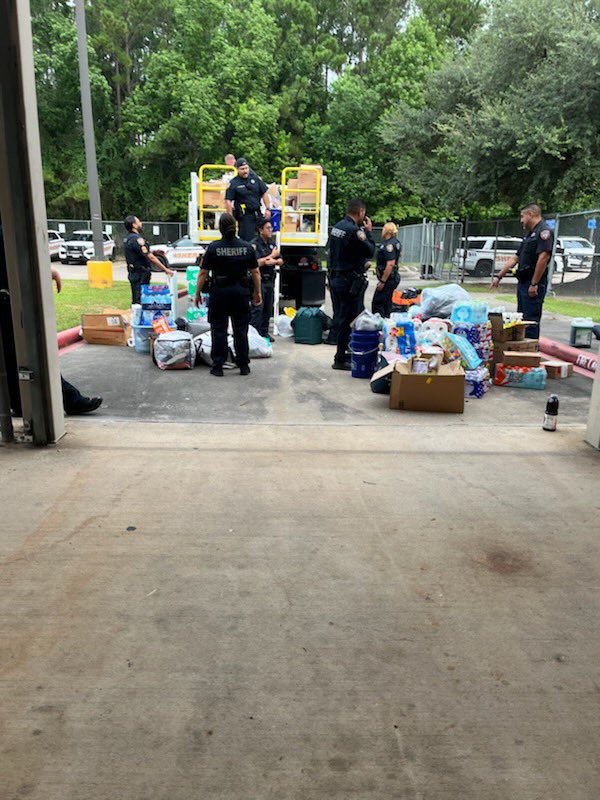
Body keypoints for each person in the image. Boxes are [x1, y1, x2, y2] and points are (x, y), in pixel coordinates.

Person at [194, 213, 261, 377]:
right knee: (241, 330)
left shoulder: (213, 248)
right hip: (241, 292)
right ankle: (244, 365)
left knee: (219, 329)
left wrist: (197, 294)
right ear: (235, 226)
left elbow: (203, 273)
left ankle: (218, 366)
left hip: (220, 292)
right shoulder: (247, 247)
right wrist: (257, 292)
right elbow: (255, 272)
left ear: (220, 228)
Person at [491, 203, 554, 338]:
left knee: (530, 320)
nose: (521, 220)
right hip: (523, 282)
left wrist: (534, 283)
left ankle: (530, 351)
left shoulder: (544, 232)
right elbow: (516, 257)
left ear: (530, 214)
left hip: (533, 283)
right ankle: (522, 349)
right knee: (522, 317)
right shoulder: (530, 234)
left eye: (522, 216)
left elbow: (543, 258)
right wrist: (499, 276)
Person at [327, 198, 375, 370]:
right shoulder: (354, 231)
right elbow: (369, 251)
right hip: (348, 280)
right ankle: (341, 357)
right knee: (349, 319)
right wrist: (368, 232)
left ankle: (341, 354)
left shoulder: (338, 227)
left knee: (340, 316)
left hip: (336, 277)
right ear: (361, 212)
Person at [123, 215, 173, 304]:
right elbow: (150, 257)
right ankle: (138, 316)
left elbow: (139, 253)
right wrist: (165, 269)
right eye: (138, 222)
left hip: (134, 272)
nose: (140, 223)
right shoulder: (137, 239)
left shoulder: (128, 238)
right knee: (141, 300)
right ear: (134, 225)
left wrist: (154, 252)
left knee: (136, 297)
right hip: (140, 274)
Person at [251, 218, 283, 339]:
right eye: (268, 228)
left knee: (268, 308)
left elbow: (280, 259)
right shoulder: (255, 244)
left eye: (271, 228)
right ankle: (255, 334)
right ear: (260, 230)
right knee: (258, 308)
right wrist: (270, 257)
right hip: (258, 281)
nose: (271, 230)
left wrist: (274, 260)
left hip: (270, 280)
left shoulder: (271, 243)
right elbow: (256, 263)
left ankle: (264, 332)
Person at [225, 158, 271, 242]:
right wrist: (230, 217)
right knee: (247, 241)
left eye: (246, 168)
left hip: (257, 214)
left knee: (263, 239)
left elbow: (264, 193)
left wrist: (268, 209)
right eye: (242, 169)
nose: (245, 171)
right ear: (237, 169)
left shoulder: (255, 179)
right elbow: (228, 200)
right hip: (244, 216)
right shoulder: (234, 183)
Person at [372, 222, 402, 318]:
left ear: (387, 231)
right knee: (387, 302)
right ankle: (387, 323)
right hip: (392, 277)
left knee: (378, 304)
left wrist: (382, 281)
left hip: (388, 279)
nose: (382, 231)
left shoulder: (389, 245)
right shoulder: (396, 242)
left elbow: (390, 264)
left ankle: (380, 325)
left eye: (384, 229)